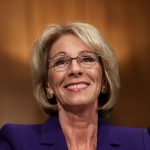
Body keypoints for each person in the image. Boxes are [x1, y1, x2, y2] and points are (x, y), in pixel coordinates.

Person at [0, 22, 149, 150]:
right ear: (47, 85)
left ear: (104, 80)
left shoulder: (141, 142)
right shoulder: (16, 141)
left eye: (87, 59)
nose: (75, 70)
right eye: (61, 61)